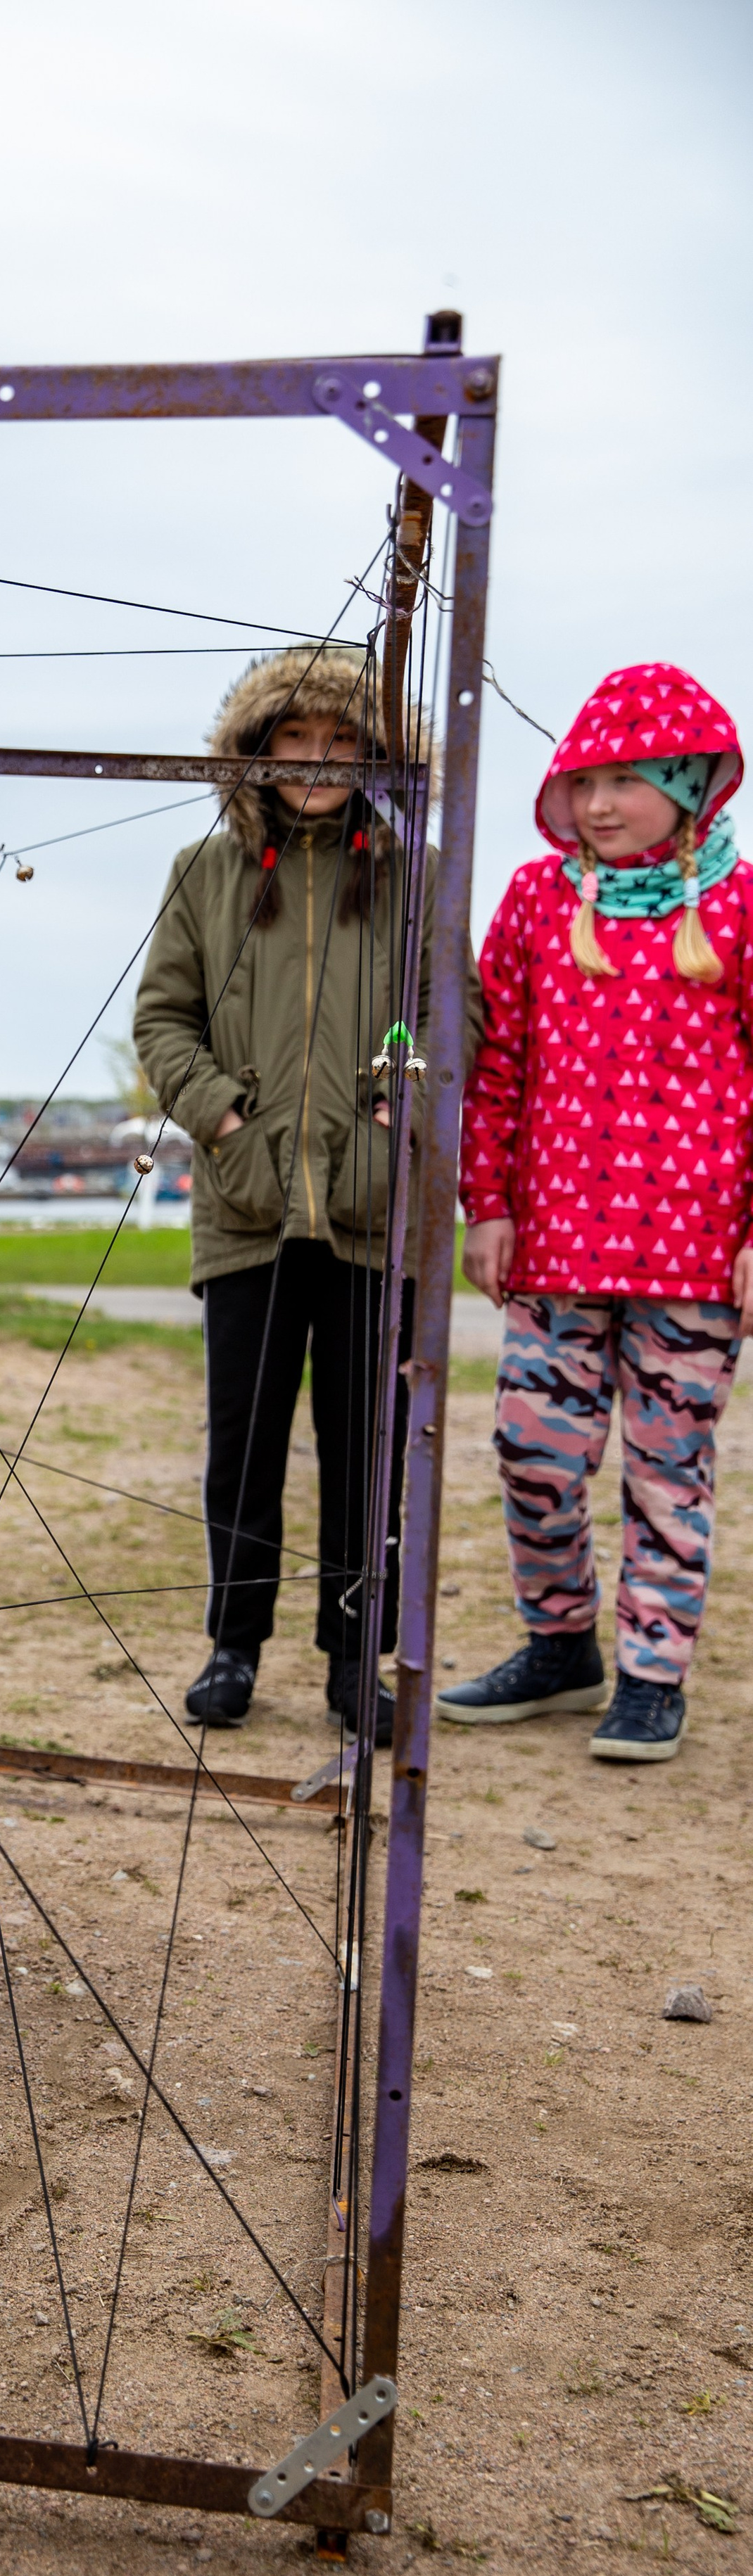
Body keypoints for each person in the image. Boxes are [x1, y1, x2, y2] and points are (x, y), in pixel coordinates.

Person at [134, 644, 478, 1743]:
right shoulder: (205, 871)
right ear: (258, 752)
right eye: (296, 741)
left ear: (373, 753)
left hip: (376, 1213)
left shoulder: (415, 873)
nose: (319, 760)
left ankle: (350, 1660)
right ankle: (234, 1647)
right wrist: (227, 1118)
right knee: (244, 1443)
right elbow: (162, 1019)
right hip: (247, 1208)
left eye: (341, 741)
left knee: (364, 1448)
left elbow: (448, 1021)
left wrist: (393, 1118)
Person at [440, 665, 751, 1764]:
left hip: (696, 1254)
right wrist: (489, 1205)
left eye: (624, 782)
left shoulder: (741, 903)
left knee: (669, 1473)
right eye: (584, 783)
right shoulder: (535, 901)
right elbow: (500, 1064)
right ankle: (560, 1643)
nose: (599, 804)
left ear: (687, 784)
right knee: (533, 1449)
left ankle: (653, 1674)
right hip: (559, 1245)